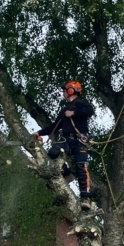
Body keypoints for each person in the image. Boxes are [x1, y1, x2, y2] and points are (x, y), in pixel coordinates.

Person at [35, 81, 95, 209]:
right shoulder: (63, 111)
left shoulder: (81, 103)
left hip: (80, 140)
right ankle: (67, 174)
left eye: (64, 91)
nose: (63, 93)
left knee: (81, 166)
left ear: (71, 91)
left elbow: (90, 111)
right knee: (53, 152)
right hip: (67, 140)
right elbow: (53, 127)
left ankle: (86, 198)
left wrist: (73, 113)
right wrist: (38, 132)